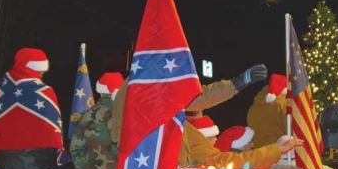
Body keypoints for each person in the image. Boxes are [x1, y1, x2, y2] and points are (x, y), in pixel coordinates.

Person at [0, 48, 65, 169]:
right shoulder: (45, 92)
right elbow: (53, 126)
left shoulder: (0, 91)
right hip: (35, 164)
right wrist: (58, 149)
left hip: (7, 165)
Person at [112, 64, 268, 144]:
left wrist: (237, 83)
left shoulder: (161, 79)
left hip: (162, 157)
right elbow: (119, 133)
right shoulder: (135, 85)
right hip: (142, 161)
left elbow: (198, 97)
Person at [70, 72, 124, 169]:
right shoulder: (126, 113)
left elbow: (76, 148)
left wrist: (90, 168)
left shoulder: (89, 114)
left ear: (100, 91)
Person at [247, 73, 287, 148]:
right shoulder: (281, 103)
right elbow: (288, 126)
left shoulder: (254, 107)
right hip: (278, 149)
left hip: (259, 151)